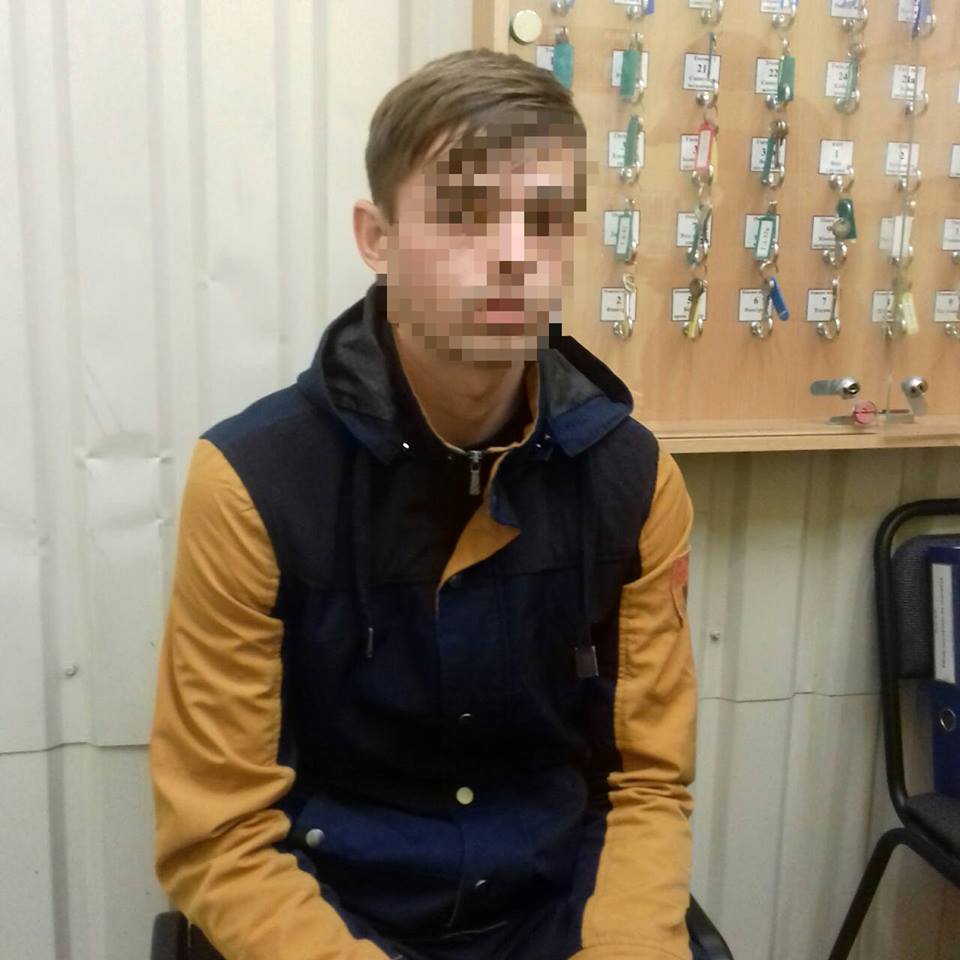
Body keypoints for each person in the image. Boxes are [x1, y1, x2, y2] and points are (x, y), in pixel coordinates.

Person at [149, 47, 699, 960]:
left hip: (556, 920)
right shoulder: (249, 485)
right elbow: (220, 832)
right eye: (465, 214)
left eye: (544, 219)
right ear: (376, 237)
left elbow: (646, 783)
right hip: (332, 918)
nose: (514, 254)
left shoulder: (635, 482)